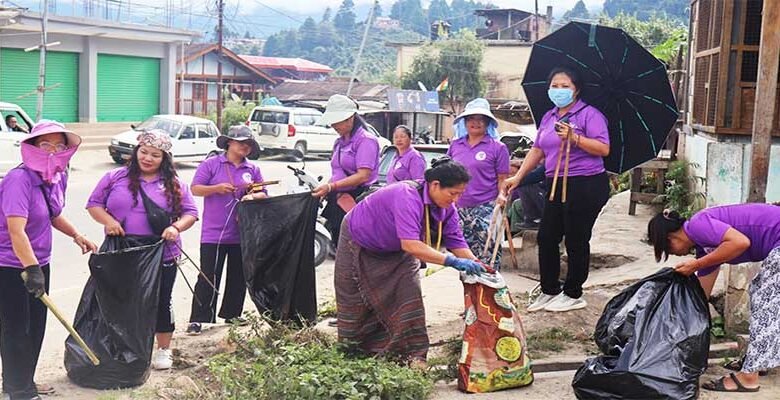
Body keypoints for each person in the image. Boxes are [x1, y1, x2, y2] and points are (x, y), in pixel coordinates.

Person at [335, 157, 485, 364]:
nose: (456, 199)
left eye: (460, 194)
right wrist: (451, 261)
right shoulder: (406, 195)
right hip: (359, 240)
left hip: (398, 249)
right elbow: (411, 245)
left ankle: (412, 356)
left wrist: (479, 266)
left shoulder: (447, 208)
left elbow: (456, 242)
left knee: (409, 296)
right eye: (453, 193)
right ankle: (353, 354)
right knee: (355, 300)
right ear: (435, 185)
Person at [0, 120, 97, 400]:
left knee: (35, 328)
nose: (52, 151)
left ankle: (22, 380)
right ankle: (20, 391)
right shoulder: (18, 180)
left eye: (58, 146)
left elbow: (52, 214)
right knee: (16, 329)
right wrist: (31, 270)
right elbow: (16, 231)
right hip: (11, 266)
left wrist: (77, 235)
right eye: (45, 144)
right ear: (31, 147)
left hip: (39, 261)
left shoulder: (55, 176)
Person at [86, 130, 198, 370]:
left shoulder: (175, 184)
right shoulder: (114, 177)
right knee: (119, 300)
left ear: (164, 158)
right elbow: (94, 204)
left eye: (155, 155)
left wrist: (175, 227)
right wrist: (109, 221)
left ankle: (163, 350)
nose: (147, 158)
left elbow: (191, 213)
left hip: (161, 253)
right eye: (144, 152)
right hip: (121, 251)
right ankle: (122, 348)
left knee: (160, 300)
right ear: (136, 151)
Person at [505, 67, 610, 313]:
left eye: (565, 86)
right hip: (555, 182)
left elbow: (604, 148)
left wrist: (576, 139)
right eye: (555, 85)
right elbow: (538, 149)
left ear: (577, 90)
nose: (559, 90)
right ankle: (549, 289)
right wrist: (519, 177)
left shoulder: (589, 114)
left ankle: (573, 293)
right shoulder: (549, 116)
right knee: (547, 236)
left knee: (576, 238)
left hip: (585, 183)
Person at [647, 205, 780, 393]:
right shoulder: (704, 247)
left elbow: (740, 242)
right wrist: (679, 321)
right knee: (768, 301)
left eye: (668, 249)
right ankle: (761, 360)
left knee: (766, 302)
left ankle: (749, 377)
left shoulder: (697, 225)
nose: (674, 254)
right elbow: (701, 296)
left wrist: (696, 264)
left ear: (671, 238)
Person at [185, 126, 266, 335]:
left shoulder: (252, 169)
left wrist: (251, 196)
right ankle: (199, 318)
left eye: (249, 144)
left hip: (242, 232)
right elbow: (195, 188)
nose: (245, 147)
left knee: (238, 275)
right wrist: (216, 188)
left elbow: (263, 192)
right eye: (241, 142)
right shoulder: (211, 164)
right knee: (208, 275)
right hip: (214, 233)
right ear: (229, 142)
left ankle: (232, 314)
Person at [447, 98, 510, 271]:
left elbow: (503, 179)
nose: (475, 123)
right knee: (461, 257)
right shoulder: (455, 145)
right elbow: (446, 174)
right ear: (465, 122)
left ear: (488, 122)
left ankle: (488, 287)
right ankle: (468, 288)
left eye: (480, 119)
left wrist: (502, 196)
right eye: (471, 119)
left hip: (486, 208)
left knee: (488, 255)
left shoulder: (498, 148)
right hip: (458, 209)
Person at [312, 94, 380, 249]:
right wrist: (325, 189)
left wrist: (331, 187)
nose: (333, 125)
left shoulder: (366, 140)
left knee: (355, 246)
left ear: (350, 118)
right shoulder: (339, 143)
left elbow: (363, 175)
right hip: (338, 200)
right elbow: (337, 172)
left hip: (357, 199)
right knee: (339, 244)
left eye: (337, 121)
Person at [508, 161, 546, 232]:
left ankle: (534, 219)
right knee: (516, 203)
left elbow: (537, 175)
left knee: (525, 185)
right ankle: (514, 231)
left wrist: (516, 180)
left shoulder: (551, 161)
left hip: (550, 198)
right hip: (538, 197)